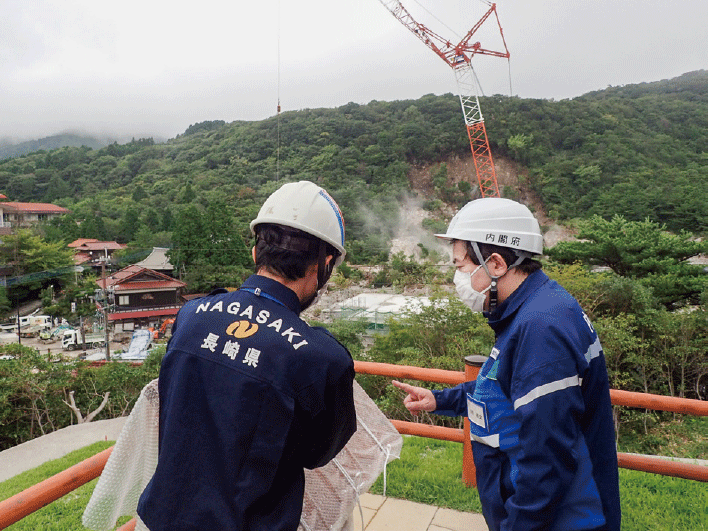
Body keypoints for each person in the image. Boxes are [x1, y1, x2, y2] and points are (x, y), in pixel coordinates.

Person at [137, 181, 357, 531]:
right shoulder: (321, 359)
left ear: (256, 253)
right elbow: (319, 453)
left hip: (161, 520)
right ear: (325, 263)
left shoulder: (191, 316)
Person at [393, 197, 621, 531]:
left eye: (460, 267)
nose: (458, 278)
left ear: (497, 264)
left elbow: (545, 465)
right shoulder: (532, 311)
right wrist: (439, 399)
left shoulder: (542, 328)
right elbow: (501, 387)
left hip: (567, 520)